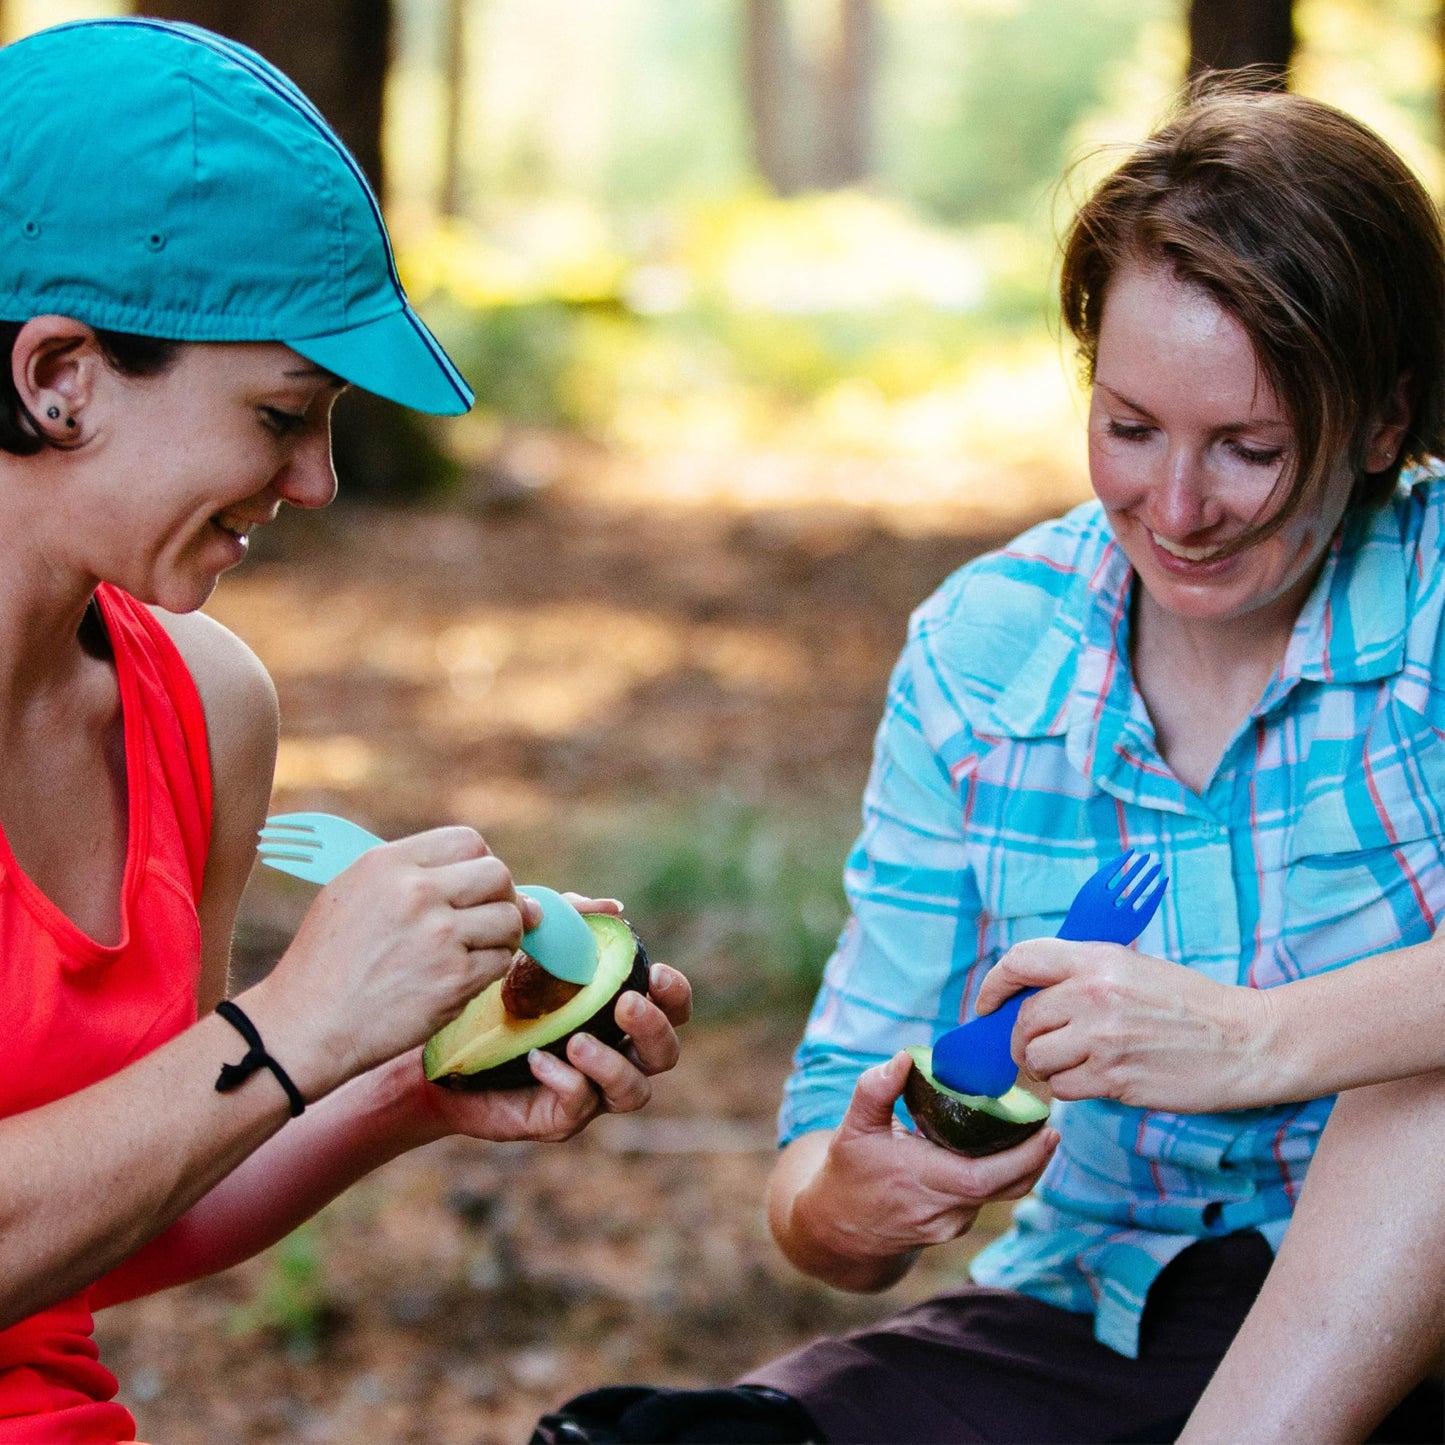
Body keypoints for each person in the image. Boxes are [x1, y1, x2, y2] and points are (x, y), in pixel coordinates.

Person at [535, 80, 1445, 1445]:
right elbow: (820, 1168)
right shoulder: (983, 652)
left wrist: (1255, 1039)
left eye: (1249, 448)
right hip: (1109, 1313)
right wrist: (849, 1197)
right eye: (1128, 429)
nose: (1177, 509)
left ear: (1380, 424)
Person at [0, 19, 691, 1444]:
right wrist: (293, 1022)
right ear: (57, 373)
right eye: (278, 415)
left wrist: (401, 1081)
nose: (315, 481)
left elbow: (108, 1214)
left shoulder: (203, 701)